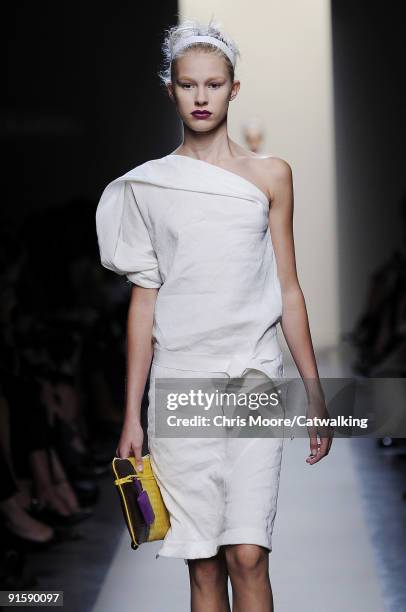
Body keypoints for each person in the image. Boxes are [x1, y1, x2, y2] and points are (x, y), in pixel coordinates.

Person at [95, 17, 333, 612]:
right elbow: (143, 301)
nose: (201, 97)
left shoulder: (271, 175)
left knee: (249, 553)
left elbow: (289, 288)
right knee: (203, 562)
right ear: (170, 89)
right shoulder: (148, 188)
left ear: (234, 88)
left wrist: (314, 391)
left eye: (214, 84)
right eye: (188, 84)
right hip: (179, 384)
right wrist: (131, 415)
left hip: (252, 376)